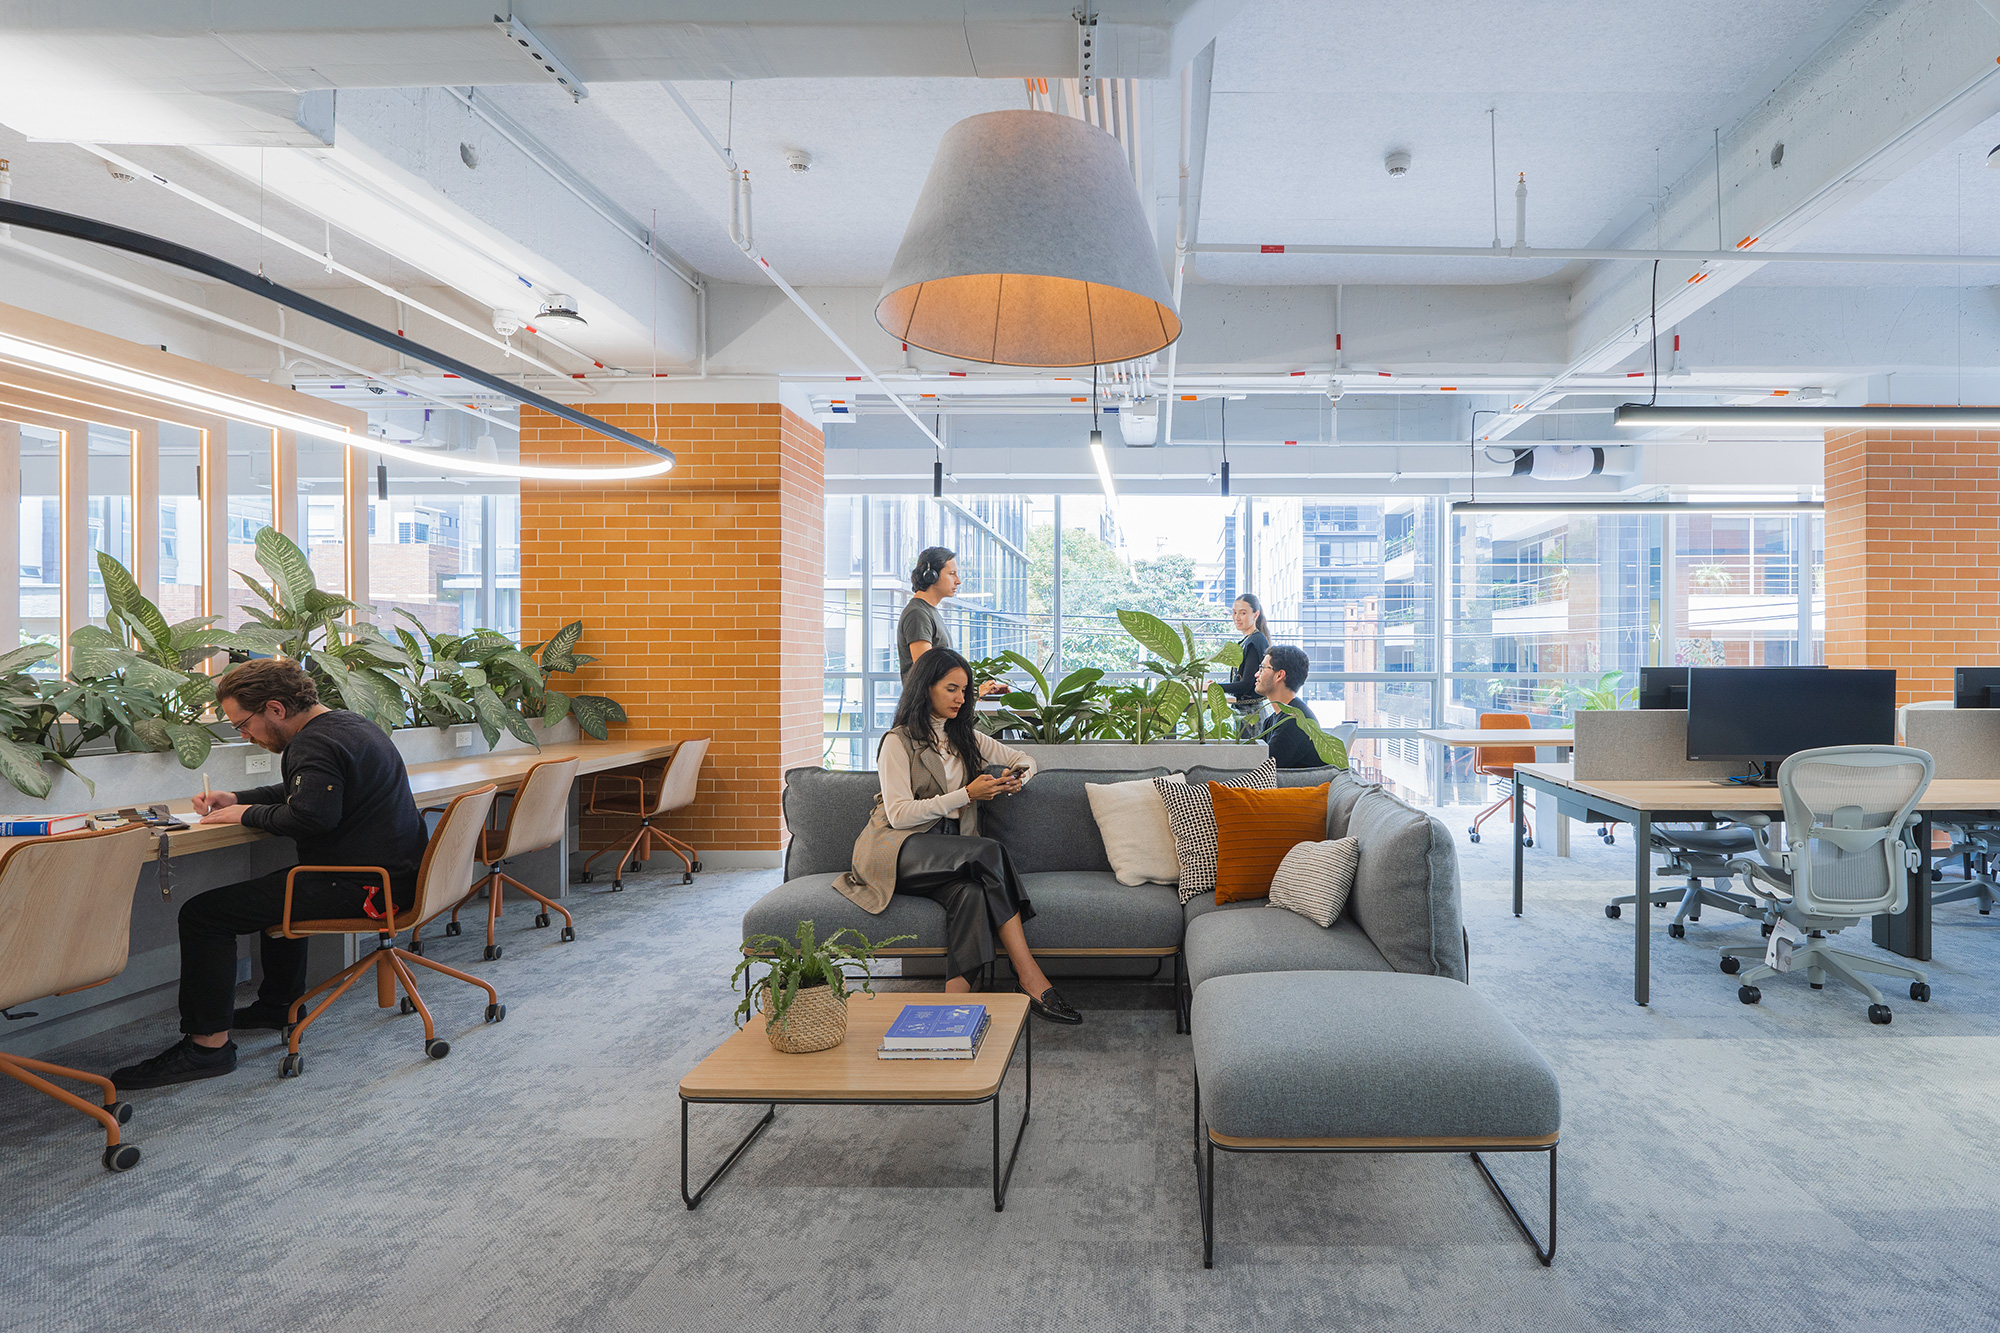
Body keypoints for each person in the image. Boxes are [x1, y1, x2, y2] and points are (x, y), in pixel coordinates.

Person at [110, 659, 432, 1089]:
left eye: (243, 724)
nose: (244, 735)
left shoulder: (312, 743)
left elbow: (311, 816)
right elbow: (307, 790)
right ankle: (278, 1006)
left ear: (276, 709)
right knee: (275, 891)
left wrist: (245, 814)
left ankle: (208, 1048)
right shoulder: (349, 725)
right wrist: (237, 798)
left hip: (363, 887)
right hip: (389, 877)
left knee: (204, 915)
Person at [835, 648, 1082, 1024]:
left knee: (972, 894)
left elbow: (1024, 758)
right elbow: (899, 814)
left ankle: (950, 1012)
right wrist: (967, 794)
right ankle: (1029, 975)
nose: (961, 698)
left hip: (950, 852)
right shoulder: (897, 742)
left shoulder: (965, 737)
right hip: (897, 849)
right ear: (926, 687)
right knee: (988, 852)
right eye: (951, 688)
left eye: (965, 690)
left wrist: (1017, 778)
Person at [896, 546, 1006, 695]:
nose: (958, 581)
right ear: (931, 576)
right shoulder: (918, 614)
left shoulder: (929, 611)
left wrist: (975, 691)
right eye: (952, 574)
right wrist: (973, 693)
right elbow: (926, 672)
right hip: (927, 708)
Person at [1253, 643, 1326, 770]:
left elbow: (1262, 770)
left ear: (1279, 675)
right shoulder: (1273, 719)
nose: (1256, 675)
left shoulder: (1294, 722)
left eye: (1262, 668)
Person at [1220, 594, 1270, 702]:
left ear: (1256, 615)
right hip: (1244, 708)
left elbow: (1246, 685)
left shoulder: (1255, 641)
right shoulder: (1248, 640)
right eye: (1234, 612)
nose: (1237, 617)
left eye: (1243, 613)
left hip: (1251, 710)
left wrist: (1213, 687)